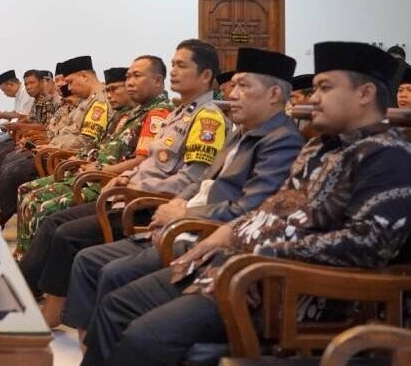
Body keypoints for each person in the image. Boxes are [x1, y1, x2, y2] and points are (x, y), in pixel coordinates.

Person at [81, 41, 411, 366]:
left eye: (324, 88)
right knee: (118, 304)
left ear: (365, 94)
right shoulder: (319, 147)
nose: (314, 99)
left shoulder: (388, 155)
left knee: (144, 336)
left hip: (288, 287)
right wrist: (231, 234)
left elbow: (368, 244)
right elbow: (278, 207)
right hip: (239, 267)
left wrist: (264, 251)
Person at [66, 48, 302, 343]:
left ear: (275, 94)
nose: (232, 93)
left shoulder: (280, 142)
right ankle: (92, 347)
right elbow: (203, 181)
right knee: (92, 262)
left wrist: (184, 214)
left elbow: (250, 208)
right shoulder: (242, 131)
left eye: (243, 86)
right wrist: (178, 205)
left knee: (113, 282)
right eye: (234, 85)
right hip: (185, 224)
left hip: (206, 237)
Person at [19, 40, 229, 326]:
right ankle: (23, 291)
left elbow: (193, 178)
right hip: (125, 192)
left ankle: (51, 310)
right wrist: (124, 176)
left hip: (148, 205)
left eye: (181, 66)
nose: (174, 72)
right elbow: (149, 162)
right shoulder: (180, 114)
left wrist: (132, 188)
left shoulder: (207, 119)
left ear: (205, 75)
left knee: (66, 232)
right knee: (56, 222)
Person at [15, 59, 173, 254]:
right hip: (91, 173)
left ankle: (31, 262)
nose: (110, 95)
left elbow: (141, 160)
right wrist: (81, 160)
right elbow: (99, 146)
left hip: (105, 182)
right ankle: (26, 256)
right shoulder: (128, 114)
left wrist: (96, 169)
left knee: (43, 208)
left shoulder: (157, 113)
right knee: (27, 192)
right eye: (129, 77)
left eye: (136, 77)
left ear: (157, 80)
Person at [0, 56, 112, 225]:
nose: (67, 87)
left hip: (63, 157)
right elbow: (64, 130)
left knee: (15, 170)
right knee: (8, 160)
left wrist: (49, 146)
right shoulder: (87, 101)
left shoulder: (98, 102)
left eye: (69, 82)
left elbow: (84, 141)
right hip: (53, 150)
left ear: (84, 76)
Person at [0, 69, 35, 164]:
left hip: (25, 133)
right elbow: (17, 112)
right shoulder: (19, 93)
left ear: (10, 84)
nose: (4, 93)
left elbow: (23, 116)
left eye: (4, 90)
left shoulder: (25, 92)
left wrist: (2, 115)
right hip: (18, 130)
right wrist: (5, 119)